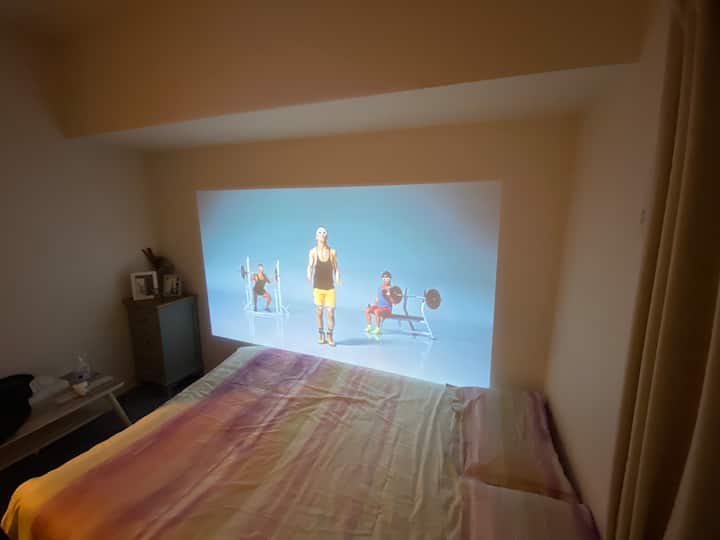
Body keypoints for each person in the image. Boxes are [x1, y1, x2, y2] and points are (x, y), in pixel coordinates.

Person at [307, 226, 340, 346]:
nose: (322, 235)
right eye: (320, 233)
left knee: (330, 313)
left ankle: (330, 335)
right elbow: (310, 266)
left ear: (327, 236)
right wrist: (309, 275)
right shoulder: (313, 251)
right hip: (318, 287)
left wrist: (338, 278)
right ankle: (321, 334)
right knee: (319, 311)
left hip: (330, 287)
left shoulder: (332, 252)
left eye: (324, 233)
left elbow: (336, 268)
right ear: (316, 237)